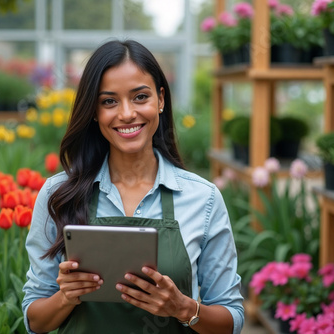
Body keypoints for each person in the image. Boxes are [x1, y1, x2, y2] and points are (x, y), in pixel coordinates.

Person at [22, 39, 244, 333]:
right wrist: (65, 297)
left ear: (161, 99)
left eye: (140, 97)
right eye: (109, 101)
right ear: (93, 111)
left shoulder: (202, 198)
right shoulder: (58, 194)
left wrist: (184, 308)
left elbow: (233, 318)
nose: (126, 113)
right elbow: (34, 320)